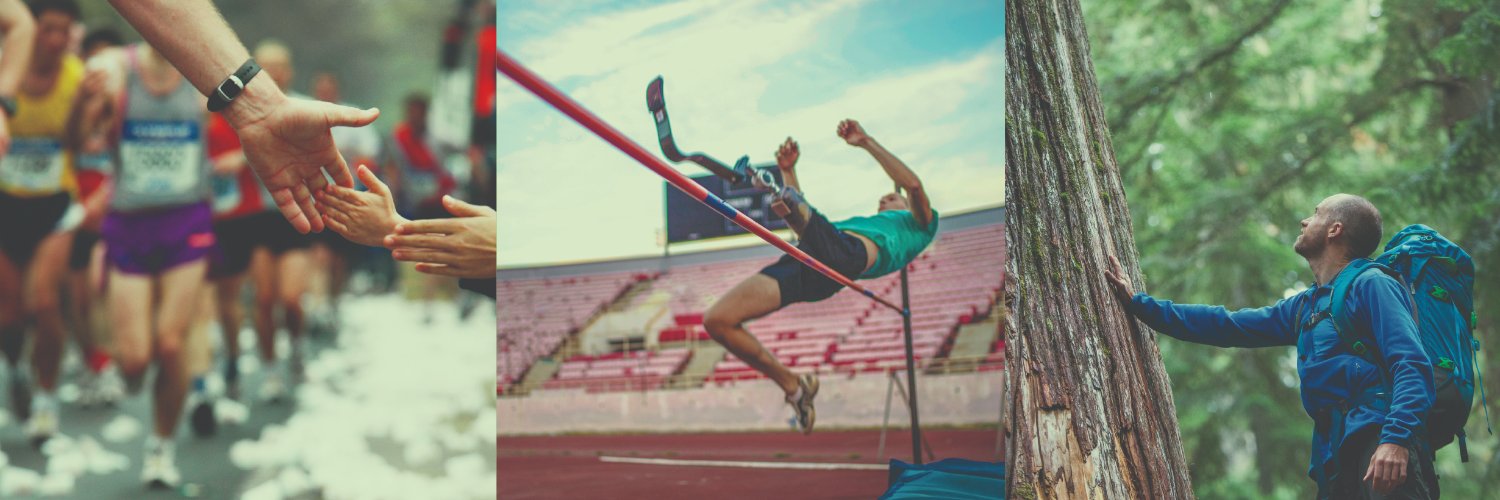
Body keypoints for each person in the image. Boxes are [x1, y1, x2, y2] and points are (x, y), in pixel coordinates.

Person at [1103, 194, 1437, 499]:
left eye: (1316, 213)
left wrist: (1395, 440)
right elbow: (1228, 325)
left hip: (1380, 444)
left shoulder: (1373, 284)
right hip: (1336, 456)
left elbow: (1411, 364)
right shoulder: (1306, 306)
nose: (1305, 221)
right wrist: (1141, 305)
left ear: (1335, 229)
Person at [699, 119, 937, 434]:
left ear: (905, 206)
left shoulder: (920, 224)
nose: (884, 200)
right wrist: (788, 170)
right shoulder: (858, 221)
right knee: (718, 319)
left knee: (799, 211)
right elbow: (809, 231)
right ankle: (794, 387)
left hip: (846, 255)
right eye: (884, 199)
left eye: (892, 199)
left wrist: (865, 141)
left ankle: (769, 186)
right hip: (813, 260)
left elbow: (913, 185)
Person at [104, 0, 381, 235]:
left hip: (261, 206)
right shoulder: (209, 104)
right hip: (221, 208)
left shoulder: (302, 107)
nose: (274, 73)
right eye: (268, 67)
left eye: (279, 67)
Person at [73, 42, 215, 489]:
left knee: (171, 343)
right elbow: (80, 138)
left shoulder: (205, 68)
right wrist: (88, 94)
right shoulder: (120, 68)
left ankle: (160, 448)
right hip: (129, 225)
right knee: (134, 360)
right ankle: (137, 382)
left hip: (186, 220)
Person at [0, 0, 74, 444]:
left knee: (43, 302)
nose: (55, 41)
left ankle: (47, 401)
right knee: (9, 311)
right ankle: (16, 369)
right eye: (48, 29)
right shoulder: (4, 70)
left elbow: (90, 140)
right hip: (5, 205)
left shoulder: (78, 78)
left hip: (54, 206)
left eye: (64, 32)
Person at [65, 24, 125, 409]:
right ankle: (91, 358)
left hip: (114, 214)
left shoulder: (128, 104)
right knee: (73, 296)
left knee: (97, 286)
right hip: (73, 213)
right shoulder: (76, 100)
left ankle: (106, 362)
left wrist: (104, 197)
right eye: (94, 58)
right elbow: (65, 150)